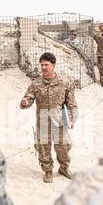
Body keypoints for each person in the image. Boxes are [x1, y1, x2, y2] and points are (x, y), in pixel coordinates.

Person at [20, 52, 78, 183]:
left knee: (63, 147)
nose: (43, 68)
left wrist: (72, 118)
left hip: (60, 122)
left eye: (46, 65)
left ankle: (64, 168)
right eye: (41, 65)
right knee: (43, 148)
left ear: (53, 65)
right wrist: (25, 102)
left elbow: (72, 104)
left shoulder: (65, 83)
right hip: (43, 123)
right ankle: (47, 171)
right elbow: (27, 100)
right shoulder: (36, 84)